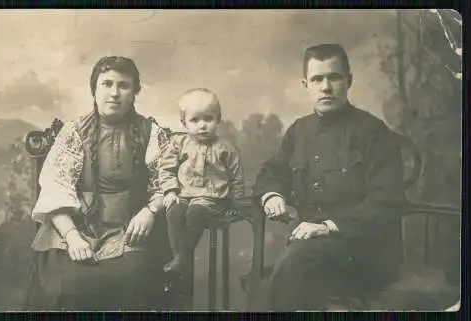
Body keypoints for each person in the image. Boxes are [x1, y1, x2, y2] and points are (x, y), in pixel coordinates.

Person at [252, 43, 407, 311]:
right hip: (313, 251)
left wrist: (328, 226)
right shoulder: (299, 131)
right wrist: (272, 195)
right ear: (306, 85)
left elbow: (387, 202)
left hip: (365, 252)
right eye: (317, 79)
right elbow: (272, 171)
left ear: (349, 80)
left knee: (291, 267)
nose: (326, 87)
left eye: (334, 77)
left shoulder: (374, 133)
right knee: (276, 279)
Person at [23, 56, 173, 311]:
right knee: (68, 283)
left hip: (131, 228)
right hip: (77, 227)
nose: (114, 93)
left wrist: (150, 211)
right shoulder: (73, 132)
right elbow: (55, 190)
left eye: (123, 86)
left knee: (134, 278)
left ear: (135, 92)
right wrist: (72, 237)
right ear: (94, 89)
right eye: (106, 84)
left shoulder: (151, 133)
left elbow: (167, 183)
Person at [158, 88, 245, 275]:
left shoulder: (226, 148)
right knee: (173, 211)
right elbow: (166, 169)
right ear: (184, 123)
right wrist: (170, 191)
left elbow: (236, 177)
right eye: (195, 120)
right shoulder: (179, 144)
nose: (202, 125)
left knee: (196, 212)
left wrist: (236, 203)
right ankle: (179, 255)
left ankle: (184, 257)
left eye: (208, 119)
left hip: (212, 198)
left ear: (218, 119)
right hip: (184, 194)